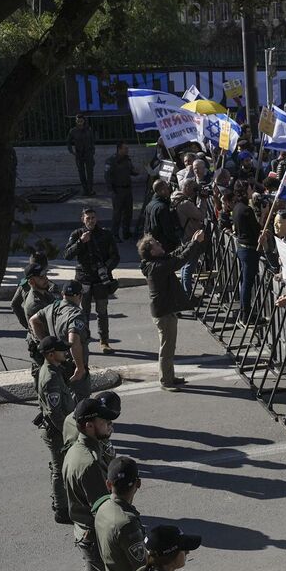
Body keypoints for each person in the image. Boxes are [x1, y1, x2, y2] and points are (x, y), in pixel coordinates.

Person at [62, 394, 119, 571]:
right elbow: (105, 511)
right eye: (103, 420)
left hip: (85, 532)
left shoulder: (80, 449)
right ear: (87, 425)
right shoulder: (88, 462)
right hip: (95, 536)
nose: (109, 423)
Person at [140, 227, 206, 391]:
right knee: (167, 349)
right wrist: (195, 244)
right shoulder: (156, 267)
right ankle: (166, 381)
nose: (159, 244)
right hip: (163, 313)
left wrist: (191, 243)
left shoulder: (158, 262)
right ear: (152, 252)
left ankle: (169, 376)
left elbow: (175, 254)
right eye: (156, 244)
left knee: (169, 346)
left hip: (166, 310)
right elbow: (179, 261)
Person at [33, 337, 80, 524]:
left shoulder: (53, 370)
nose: (65, 353)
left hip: (57, 429)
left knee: (58, 468)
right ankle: (62, 510)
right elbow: (55, 412)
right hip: (56, 431)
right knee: (60, 471)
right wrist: (68, 433)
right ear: (51, 355)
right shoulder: (51, 376)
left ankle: (61, 501)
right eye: (61, 351)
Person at [63, 206, 121, 352]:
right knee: (84, 313)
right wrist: (80, 242)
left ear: (97, 219)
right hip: (84, 280)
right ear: (82, 219)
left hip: (101, 280)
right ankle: (84, 340)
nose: (91, 220)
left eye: (93, 217)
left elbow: (115, 256)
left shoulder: (105, 234)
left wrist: (105, 268)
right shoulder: (77, 234)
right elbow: (67, 255)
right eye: (88, 218)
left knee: (102, 311)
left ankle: (104, 341)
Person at [50, 280, 93, 394]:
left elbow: (34, 320)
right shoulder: (76, 314)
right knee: (80, 404)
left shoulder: (53, 307)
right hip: (72, 366)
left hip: (57, 363)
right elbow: (73, 342)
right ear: (79, 296)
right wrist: (79, 368)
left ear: (63, 294)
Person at [105, 142, 135, 239]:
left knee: (128, 213)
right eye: (125, 148)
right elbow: (107, 176)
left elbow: (131, 171)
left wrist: (136, 172)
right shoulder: (111, 160)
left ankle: (126, 232)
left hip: (127, 189)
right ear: (119, 149)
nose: (127, 150)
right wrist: (111, 191)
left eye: (127, 148)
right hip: (117, 190)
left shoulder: (127, 159)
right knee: (117, 213)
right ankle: (115, 234)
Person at [67, 113, 96, 194]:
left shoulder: (88, 130)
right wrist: (72, 151)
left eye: (81, 120)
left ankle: (90, 189)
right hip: (79, 154)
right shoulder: (73, 131)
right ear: (76, 121)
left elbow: (92, 141)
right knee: (81, 172)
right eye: (78, 120)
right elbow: (68, 142)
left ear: (84, 121)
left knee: (90, 172)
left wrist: (93, 151)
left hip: (88, 153)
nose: (80, 122)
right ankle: (85, 189)